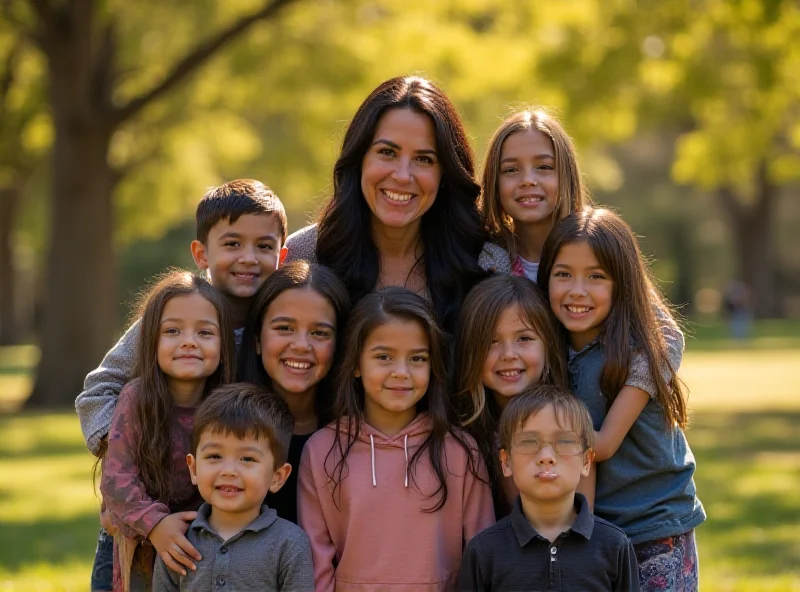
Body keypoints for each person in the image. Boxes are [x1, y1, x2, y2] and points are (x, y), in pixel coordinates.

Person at [79, 179, 287, 592]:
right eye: (232, 244)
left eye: (263, 247)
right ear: (201, 254)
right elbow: (97, 392)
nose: (248, 258)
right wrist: (134, 465)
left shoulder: (278, 318)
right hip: (136, 533)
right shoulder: (174, 309)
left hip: (204, 537)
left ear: (281, 255)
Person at [538, 208, 706, 590]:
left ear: (622, 284)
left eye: (596, 277)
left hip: (655, 527)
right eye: (563, 274)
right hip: (597, 530)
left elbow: (602, 444)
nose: (577, 290)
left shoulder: (640, 351)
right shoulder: (550, 349)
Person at [298, 288, 495, 591]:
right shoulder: (322, 450)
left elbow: (482, 558)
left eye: (417, 358)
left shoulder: (460, 451)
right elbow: (316, 562)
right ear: (355, 365)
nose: (401, 372)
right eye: (384, 357)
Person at [284, 75, 511, 334]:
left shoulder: (487, 265)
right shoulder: (302, 255)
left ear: (445, 174)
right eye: (387, 153)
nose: (403, 175)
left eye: (424, 159)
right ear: (359, 159)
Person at [99, 271, 235, 591]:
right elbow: (116, 480)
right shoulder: (136, 399)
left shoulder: (230, 405)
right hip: (144, 550)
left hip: (211, 551)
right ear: (151, 340)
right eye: (172, 330)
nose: (189, 340)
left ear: (224, 343)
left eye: (205, 332)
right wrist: (155, 524)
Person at [458, 386, 640, 591]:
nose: (546, 456)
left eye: (563, 441)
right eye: (528, 442)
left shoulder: (614, 545)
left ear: (586, 461)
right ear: (506, 461)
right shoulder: (484, 552)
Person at [152, 383, 314, 591]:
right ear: (193, 469)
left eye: (247, 458)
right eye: (214, 456)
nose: (228, 471)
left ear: (277, 476)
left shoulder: (290, 544)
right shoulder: (178, 541)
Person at [237, 261, 351, 523]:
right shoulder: (226, 425)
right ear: (256, 339)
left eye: (319, 333)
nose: (301, 345)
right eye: (284, 328)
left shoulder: (355, 437)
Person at [453, 275, 567, 517]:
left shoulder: (567, 425)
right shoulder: (462, 440)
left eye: (524, 339)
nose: (508, 354)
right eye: (491, 341)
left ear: (549, 344)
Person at [481, 109, 590, 281]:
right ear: (494, 183)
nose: (528, 180)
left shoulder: (599, 251)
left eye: (544, 167)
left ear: (567, 177)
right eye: (511, 170)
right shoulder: (482, 265)